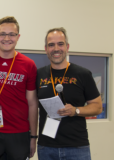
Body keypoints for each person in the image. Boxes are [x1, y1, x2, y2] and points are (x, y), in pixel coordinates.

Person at [36, 27, 102, 160]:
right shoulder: (39, 74)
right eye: (51, 45)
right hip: (46, 147)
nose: (56, 48)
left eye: (60, 44)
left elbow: (98, 107)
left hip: (77, 148)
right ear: (45, 48)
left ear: (67, 46)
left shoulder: (83, 74)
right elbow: (31, 106)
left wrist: (76, 111)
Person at [0, 16, 38, 160]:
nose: (7, 38)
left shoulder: (28, 65)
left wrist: (33, 136)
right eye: (2, 34)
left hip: (19, 133)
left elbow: (32, 103)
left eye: (12, 34)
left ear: (18, 37)